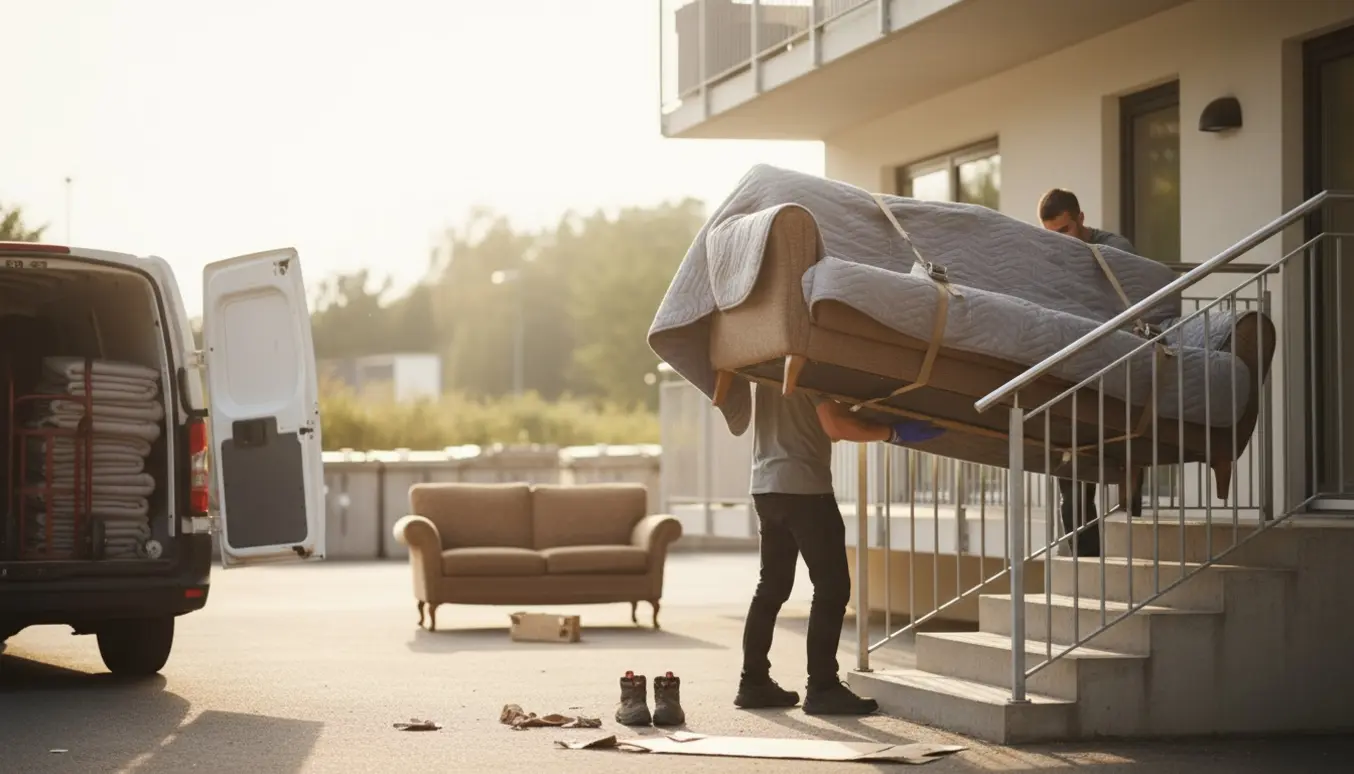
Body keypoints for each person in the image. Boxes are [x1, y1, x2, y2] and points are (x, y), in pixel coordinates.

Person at [734, 381, 945, 715]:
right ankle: (823, 687)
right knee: (832, 587)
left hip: (766, 486)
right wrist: (892, 432)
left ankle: (753, 683)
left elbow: (824, 425)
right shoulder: (810, 365)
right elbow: (835, 426)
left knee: (771, 587)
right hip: (805, 488)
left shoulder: (766, 366)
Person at [1037, 188, 1146, 557]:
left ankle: (1130, 536)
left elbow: (1129, 294)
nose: (1060, 241)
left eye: (1065, 230)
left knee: (1126, 454)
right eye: (1052, 235)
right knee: (1070, 476)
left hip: (1114, 363)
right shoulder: (1049, 255)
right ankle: (1086, 565)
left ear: (1081, 219)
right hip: (1073, 369)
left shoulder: (1114, 246)